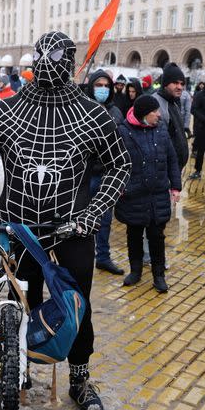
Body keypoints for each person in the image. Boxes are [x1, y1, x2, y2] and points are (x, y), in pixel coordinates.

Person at [0, 31, 131, 410]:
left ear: (70, 62)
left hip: (73, 229)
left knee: (77, 309)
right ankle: (18, 369)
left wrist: (92, 213)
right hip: (19, 229)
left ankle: (80, 380)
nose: (52, 63)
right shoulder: (7, 110)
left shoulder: (93, 114)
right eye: (45, 56)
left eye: (59, 56)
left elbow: (121, 165)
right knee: (22, 303)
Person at [116, 95, 181, 292]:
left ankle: (158, 275)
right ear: (144, 114)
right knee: (134, 234)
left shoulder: (161, 129)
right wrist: (119, 187)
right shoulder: (123, 132)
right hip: (133, 194)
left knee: (156, 235)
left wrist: (175, 187)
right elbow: (115, 163)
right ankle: (135, 271)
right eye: (154, 112)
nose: (158, 114)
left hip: (157, 193)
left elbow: (172, 158)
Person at [85, 69, 125, 275]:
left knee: (105, 219)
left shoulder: (115, 112)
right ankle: (82, 255)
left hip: (106, 174)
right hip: (84, 174)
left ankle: (103, 256)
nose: (102, 89)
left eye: (106, 86)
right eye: (98, 85)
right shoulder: (82, 109)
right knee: (81, 217)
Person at [151, 62, 190, 169]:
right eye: (175, 83)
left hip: (175, 167)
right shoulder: (156, 104)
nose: (180, 87)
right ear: (165, 84)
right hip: (165, 170)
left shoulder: (174, 102)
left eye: (182, 84)